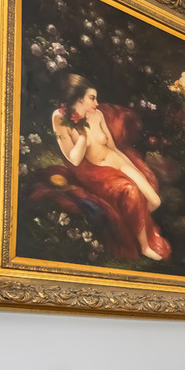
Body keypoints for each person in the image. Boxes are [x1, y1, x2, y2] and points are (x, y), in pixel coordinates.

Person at [52, 74, 170, 261]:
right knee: (131, 192)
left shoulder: (97, 115)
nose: (97, 103)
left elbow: (113, 147)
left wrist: (133, 168)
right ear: (79, 99)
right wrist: (82, 136)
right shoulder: (60, 118)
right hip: (97, 171)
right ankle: (144, 246)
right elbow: (73, 160)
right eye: (92, 98)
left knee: (155, 201)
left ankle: (131, 224)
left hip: (117, 160)